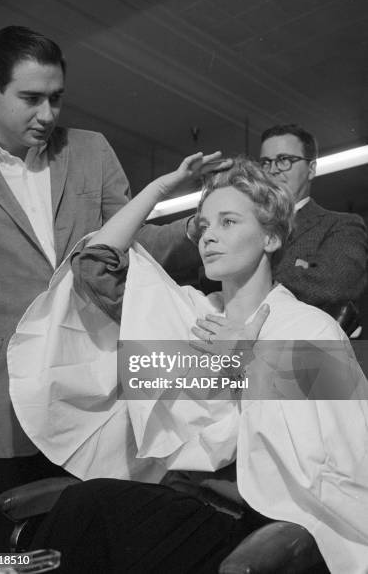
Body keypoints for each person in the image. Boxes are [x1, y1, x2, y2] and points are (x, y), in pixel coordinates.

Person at [19, 153, 368, 574]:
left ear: (271, 238)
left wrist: (249, 360)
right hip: (182, 498)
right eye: (203, 225)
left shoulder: (309, 328)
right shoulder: (190, 313)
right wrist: (158, 190)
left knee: (88, 507)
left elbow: (339, 453)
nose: (207, 237)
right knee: (84, 514)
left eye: (228, 222)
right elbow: (94, 269)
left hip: (251, 521)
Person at [0, 25, 201, 550]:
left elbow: (132, 240)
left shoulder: (91, 149)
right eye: (31, 99)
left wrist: (194, 229)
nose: (48, 115)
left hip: (97, 382)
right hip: (4, 393)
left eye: (56, 98)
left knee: (101, 531)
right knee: (13, 547)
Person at [259, 123, 367, 312]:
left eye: (284, 160)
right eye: (266, 162)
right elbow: (209, 277)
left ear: (311, 169)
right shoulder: (246, 224)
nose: (273, 169)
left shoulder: (341, 225)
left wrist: (250, 280)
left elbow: (336, 285)